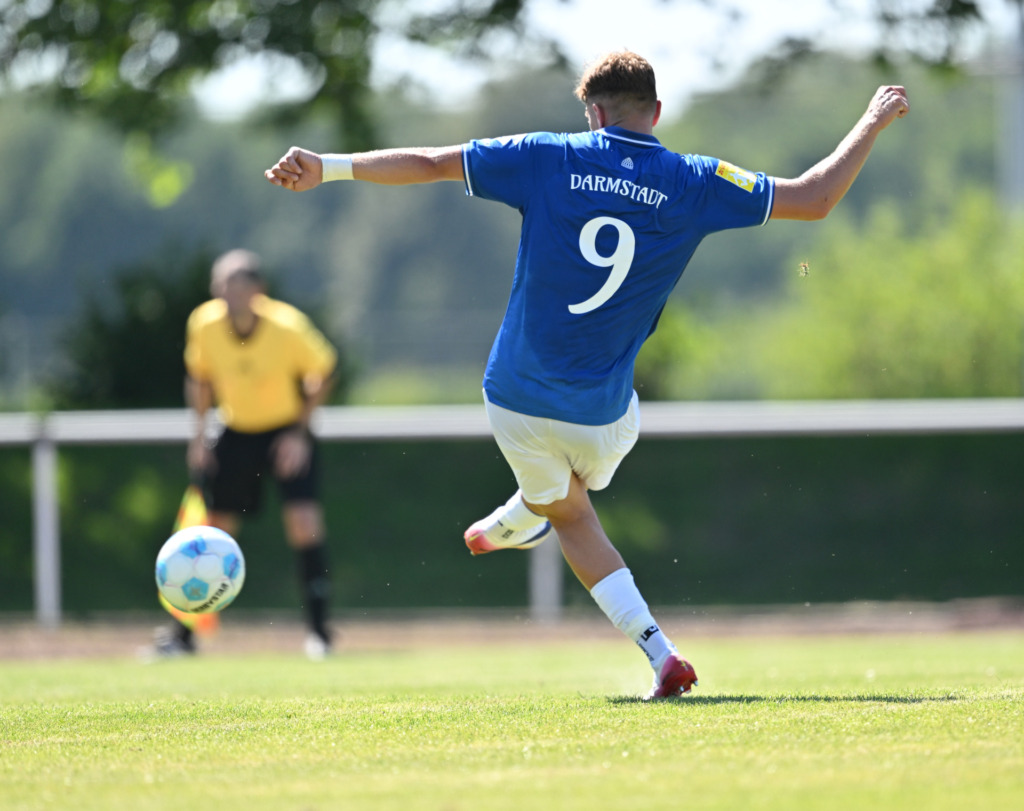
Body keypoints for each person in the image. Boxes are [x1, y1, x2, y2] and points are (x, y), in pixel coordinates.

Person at [264, 51, 909, 697]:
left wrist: (328, 167)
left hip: (512, 397)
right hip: (605, 419)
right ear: (656, 112)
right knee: (577, 493)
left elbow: (432, 161)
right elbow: (816, 197)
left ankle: (550, 535)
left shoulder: (548, 155)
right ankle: (611, 599)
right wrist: (873, 121)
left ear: (592, 113)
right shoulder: (696, 179)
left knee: (567, 508)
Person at [151, 249, 339, 660]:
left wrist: (299, 433)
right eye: (222, 283)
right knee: (210, 533)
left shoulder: (287, 326)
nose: (228, 291)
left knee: (304, 523)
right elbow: (200, 379)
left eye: (238, 283)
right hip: (234, 431)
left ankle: (320, 633)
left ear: (259, 290)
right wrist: (199, 437)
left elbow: (324, 372)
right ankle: (183, 637)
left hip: (284, 432)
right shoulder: (203, 324)